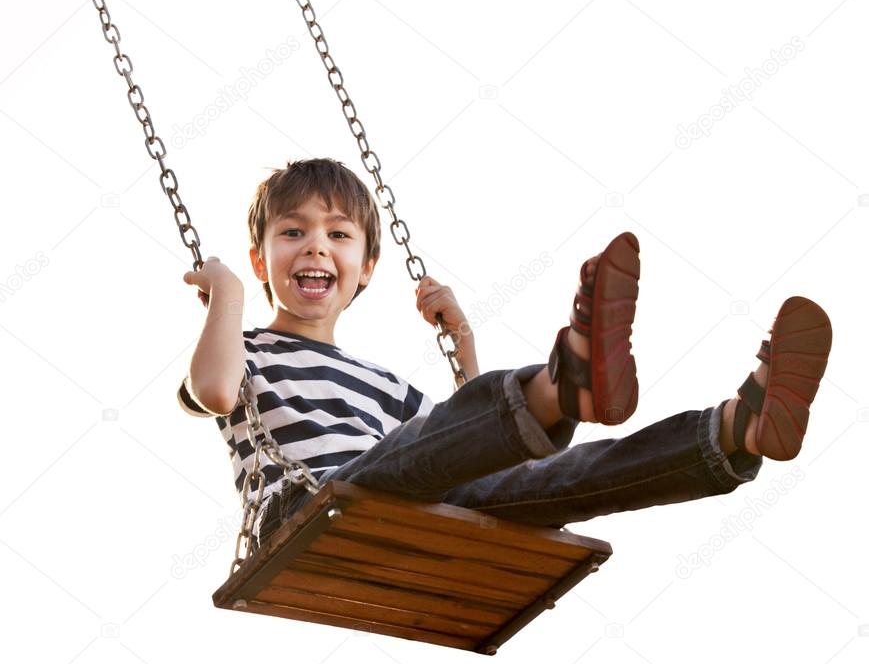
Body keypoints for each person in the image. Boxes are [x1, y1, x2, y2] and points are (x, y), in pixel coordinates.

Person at [177, 158, 833, 549]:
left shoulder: (379, 383)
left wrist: (462, 342)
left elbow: (455, 444)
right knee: (422, 461)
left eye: (337, 234)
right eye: (292, 232)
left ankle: (731, 431)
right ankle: (561, 385)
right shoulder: (241, 347)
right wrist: (228, 292)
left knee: (554, 479)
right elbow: (212, 391)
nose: (316, 247)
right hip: (307, 512)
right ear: (263, 258)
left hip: (393, 501)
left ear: (366, 266)